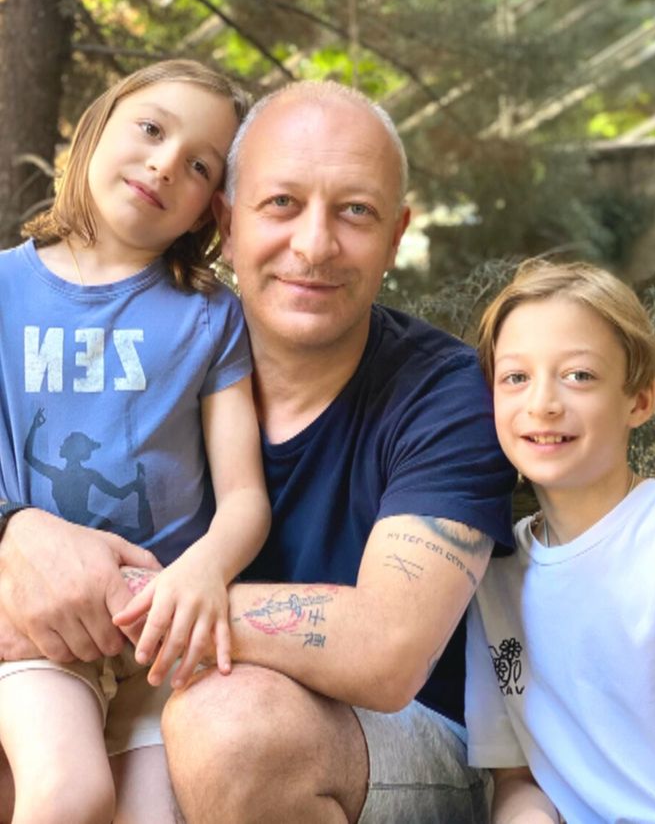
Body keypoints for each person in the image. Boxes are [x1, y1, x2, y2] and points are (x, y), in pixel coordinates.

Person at [144, 80, 517, 824]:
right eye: (282, 203)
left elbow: (386, 650)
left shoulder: (447, 393)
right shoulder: (149, 363)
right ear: (226, 222)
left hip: (403, 741)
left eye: (355, 211)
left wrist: (146, 609)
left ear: (396, 236)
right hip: (167, 708)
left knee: (231, 727)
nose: (315, 245)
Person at [0, 59, 270, 824]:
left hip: (158, 634)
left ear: (210, 210)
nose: (165, 163)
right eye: (151, 129)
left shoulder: (209, 316)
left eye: (199, 165)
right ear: (96, 127)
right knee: (69, 792)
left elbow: (244, 496)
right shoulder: (5, 288)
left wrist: (206, 569)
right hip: (44, 628)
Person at [465, 259, 655, 823]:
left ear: (639, 400)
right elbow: (517, 778)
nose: (542, 403)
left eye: (579, 375)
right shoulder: (492, 574)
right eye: (515, 378)